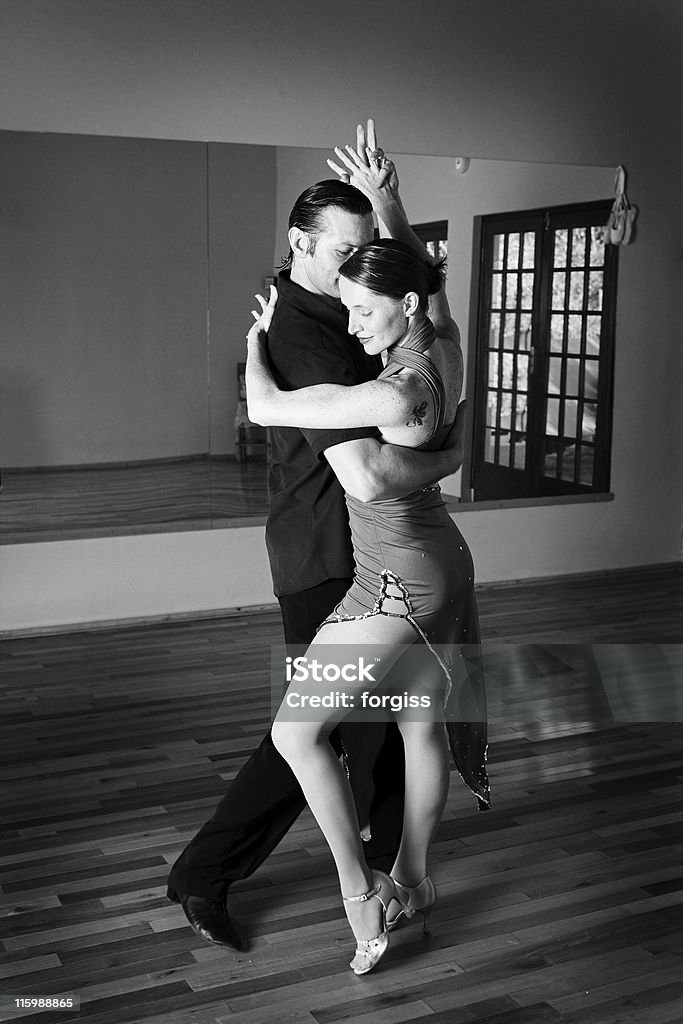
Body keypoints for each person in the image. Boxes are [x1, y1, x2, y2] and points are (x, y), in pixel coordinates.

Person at [166, 122, 471, 952]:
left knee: (368, 726)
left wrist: (390, 207)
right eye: (343, 252)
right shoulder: (304, 331)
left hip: (382, 560)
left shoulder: (358, 310)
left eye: (365, 252)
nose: (355, 270)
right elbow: (368, 475)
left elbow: (419, 294)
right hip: (327, 557)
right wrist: (448, 452)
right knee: (327, 730)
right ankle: (213, 870)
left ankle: (393, 877)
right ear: (300, 243)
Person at [244, 144, 488, 975]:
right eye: (342, 306)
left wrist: (258, 339)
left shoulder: (393, 391)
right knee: (419, 727)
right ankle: (413, 881)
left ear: (403, 300)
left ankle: (361, 893)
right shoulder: (444, 336)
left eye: (361, 310)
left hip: (399, 577)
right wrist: (390, 206)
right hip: (440, 558)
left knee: (295, 733)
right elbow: (421, 275)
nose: (351, 327)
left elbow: (271, 407)